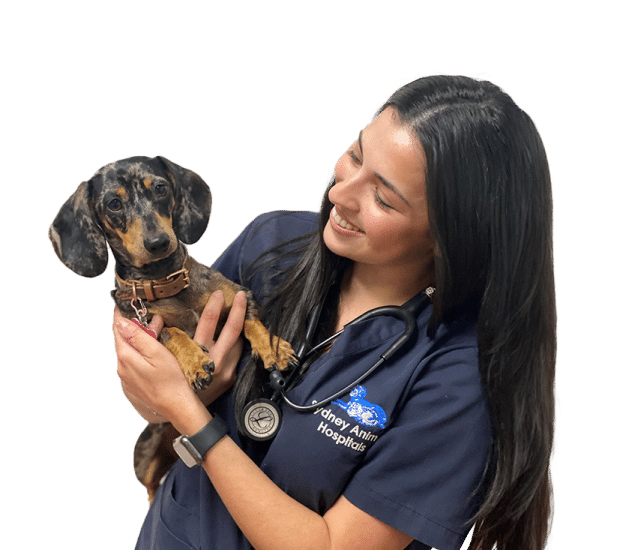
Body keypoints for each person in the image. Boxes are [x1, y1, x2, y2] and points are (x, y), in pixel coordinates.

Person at [113, 73, 558, 550]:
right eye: (355, 155)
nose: (340, 195)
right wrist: (171, 390)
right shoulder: (270, 243)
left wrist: (192, 415)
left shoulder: (459, 378)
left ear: (450, 236)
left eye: (383, 197)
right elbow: (146, 388)